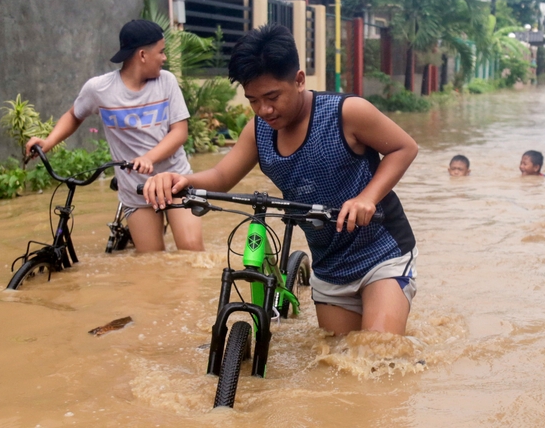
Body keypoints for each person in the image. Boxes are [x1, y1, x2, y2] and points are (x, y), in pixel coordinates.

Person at [142, 24, 418, 336]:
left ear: (299, 80)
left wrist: (367, 197)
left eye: (272, 96)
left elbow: (404, 147)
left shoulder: (346, 113)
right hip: (329, 266)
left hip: (382, 253)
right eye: (253, 100)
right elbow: (220, 176)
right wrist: (178, 179)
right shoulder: (258, 132)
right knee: (338, 362)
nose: (264, 110)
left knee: (376, 352)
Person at [25, 19, 203, 253]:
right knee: (152, 262)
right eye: (161, 52)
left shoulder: (166, 82)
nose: (164, 58)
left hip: (175, 181)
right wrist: (48, 142)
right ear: (142, 55)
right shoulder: (99, 89)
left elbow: (180, 132)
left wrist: (149, 157)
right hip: (136, 189)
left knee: (191, 251)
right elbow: (74, 115)